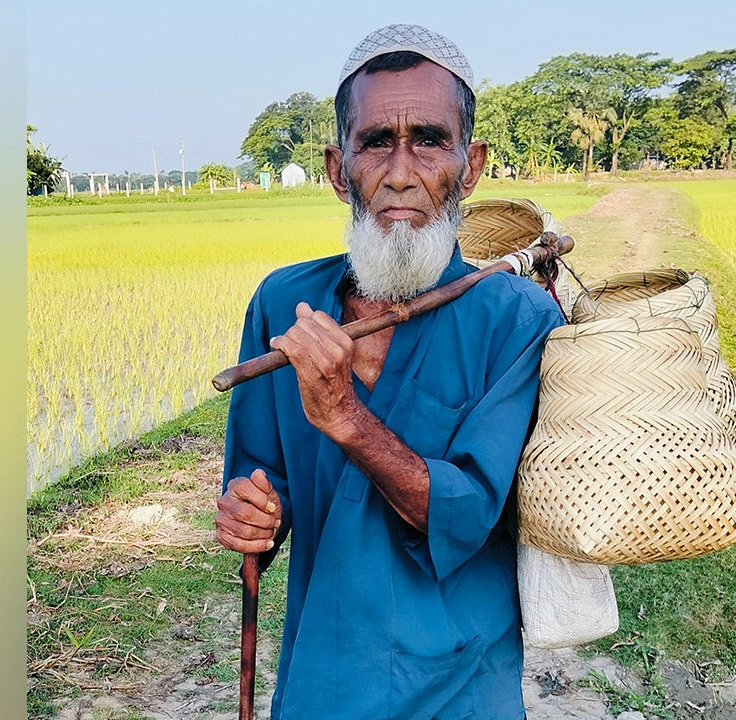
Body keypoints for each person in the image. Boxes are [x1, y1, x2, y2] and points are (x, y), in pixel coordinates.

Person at [215, 24, 565, 720]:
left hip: (464, 684)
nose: (401, 171)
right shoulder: (285, 304)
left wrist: (345, 417)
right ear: (338, 169)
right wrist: (253, 513)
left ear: (470, 166)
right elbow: (261, 480)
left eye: (429, 140)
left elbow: (466, 515)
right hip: (323, 678)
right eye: (377, 141)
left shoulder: (517, 317)